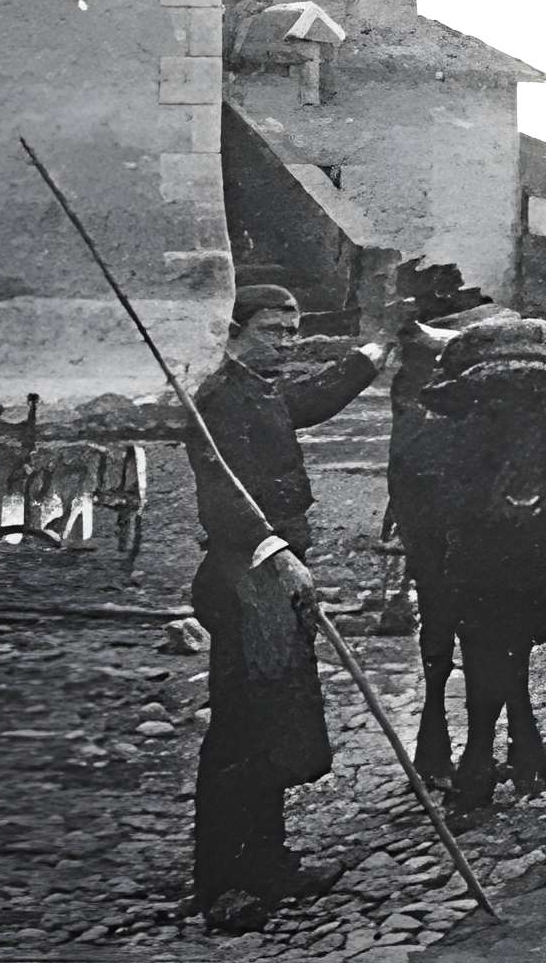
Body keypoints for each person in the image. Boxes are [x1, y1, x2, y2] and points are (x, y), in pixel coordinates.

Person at [188, 283, 389, 933]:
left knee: (272, 723)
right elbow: (222, 499)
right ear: (236, 329)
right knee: (238, 733)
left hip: (278, 579)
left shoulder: (263, 391)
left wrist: (370, 356)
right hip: (245, 579)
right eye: (276, 330)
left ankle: (269, 863)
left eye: (296, 331)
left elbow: (310, 400)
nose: (289, 342)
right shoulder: (218, 398)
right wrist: (276, 554)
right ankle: (223, 885)